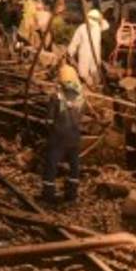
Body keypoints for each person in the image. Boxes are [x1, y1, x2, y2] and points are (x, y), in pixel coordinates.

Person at [45, 65, 85, 203]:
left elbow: (49, 120)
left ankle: (48, 193)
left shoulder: (56, 96)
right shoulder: (80, 96)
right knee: (74, 165)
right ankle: (72, 194)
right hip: (75, 136)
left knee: (51, 163)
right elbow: (81, 117)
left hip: (58, 135)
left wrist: (50, 130)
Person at [66, 9, 108, 87]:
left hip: (95, 53)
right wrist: (70, 52)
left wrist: (100, 18)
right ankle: (90, 84)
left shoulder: (98, 27)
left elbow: (106, 25)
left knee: (95, 70)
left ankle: (96, 85)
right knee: (83, 72)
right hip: (85, 53)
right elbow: (75, 41)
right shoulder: (82, 28)